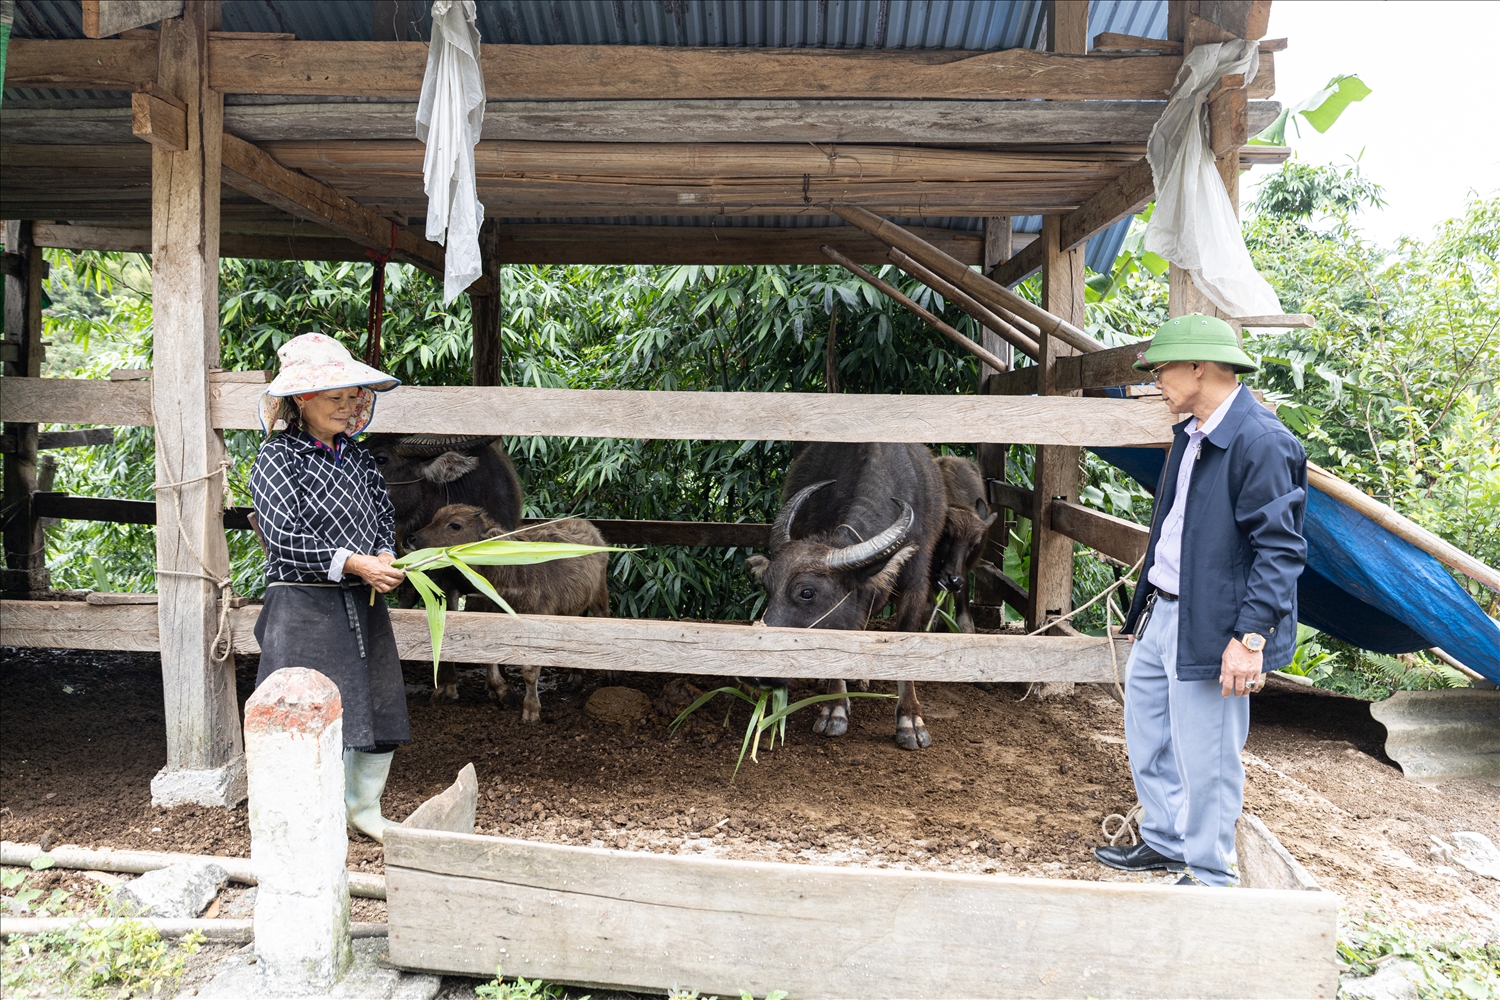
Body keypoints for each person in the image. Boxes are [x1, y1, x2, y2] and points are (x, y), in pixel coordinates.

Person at [1094, 314, 1307, 887]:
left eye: (1161, 369)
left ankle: (1212, 874)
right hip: (1164, 610)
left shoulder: (1261, 441)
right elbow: (1174, 530)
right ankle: (1165, 840)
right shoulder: (1192, 433)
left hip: (1217, 625)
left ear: (1197, 367)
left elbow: (1280, 551)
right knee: (1149, 734)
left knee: (1207, 754)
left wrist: (1249, 639)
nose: (1155, 381)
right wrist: (1144, 609)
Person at [249, 333, 409, 842]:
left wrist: (383, 556)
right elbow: (284, 538)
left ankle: (362, 810)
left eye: (351, 397)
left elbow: (382, 517)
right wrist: (355, 563)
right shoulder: (278, 457)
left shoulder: (357, 458)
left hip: (361, 600)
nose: (347, 406)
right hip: (302, 604)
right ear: (302, 399)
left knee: (375, 703)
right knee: (304, 712)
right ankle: (303, 820)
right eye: (334, 397)